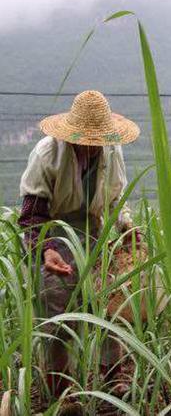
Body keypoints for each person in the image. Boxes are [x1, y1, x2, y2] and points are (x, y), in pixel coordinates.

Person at [18, 90, 140, 414]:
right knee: (56, 310)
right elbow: (31, 213)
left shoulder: (111, 151)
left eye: (97, 139)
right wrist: (45, 250)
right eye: (87, 139)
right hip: (53, 233)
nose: (92, 144)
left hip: (93, 231)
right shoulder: (47, 153)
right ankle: (60, 390)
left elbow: (115, 197)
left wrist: (125, 226)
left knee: (107, 304)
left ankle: (113, 379)